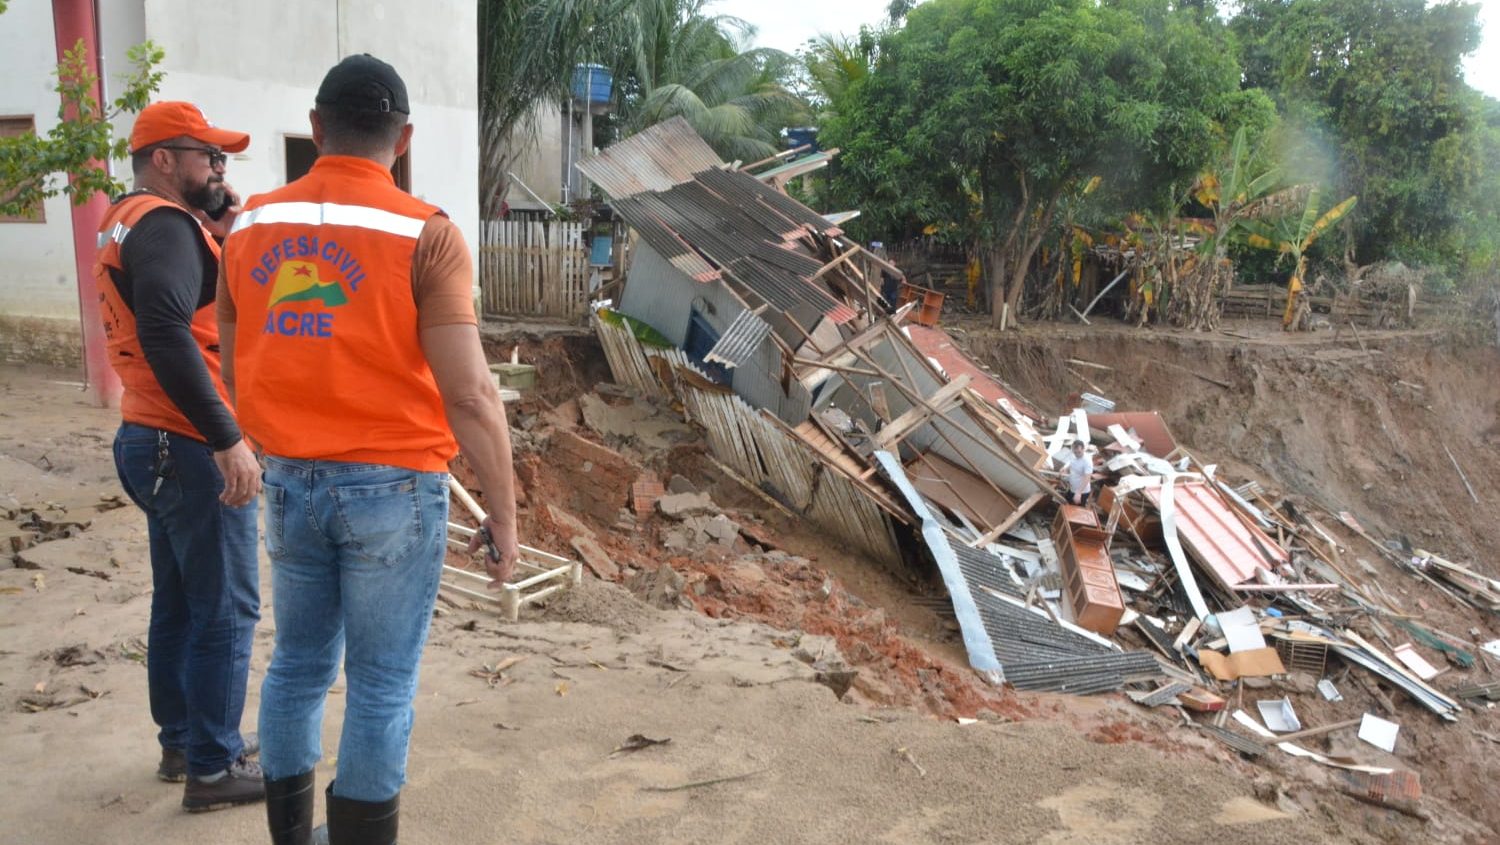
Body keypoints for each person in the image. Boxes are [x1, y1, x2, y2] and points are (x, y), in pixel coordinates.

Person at [218, 55, 519, 845]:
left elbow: (233, 352)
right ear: (404, 138)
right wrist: (504, 515)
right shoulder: (427, 233)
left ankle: (292, 837)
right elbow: (472, 396)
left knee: (296, 666)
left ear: (317, 128)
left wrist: (268, 435)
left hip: (290, 480)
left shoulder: (249, 225)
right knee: (381, 682)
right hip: (394, 488)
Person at [94, 101, 265, 812]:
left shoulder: (133, 219)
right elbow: (166, 331)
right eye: (208, 155)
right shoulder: (165, 226)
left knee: (180, 602)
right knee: (225, 607)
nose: (220, 167)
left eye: (223, 157)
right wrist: (227, 437)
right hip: (186, 443)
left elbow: (175, 309)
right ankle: (214, 767)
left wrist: (219, 230)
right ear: (164, 159)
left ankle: (185, 741)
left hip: (148, 435)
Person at [1064, 439, 1096, 506]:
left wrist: (1079, 493)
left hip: (1082, 492)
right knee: (1066, 504)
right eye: (1075, 452)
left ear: (1083, 449)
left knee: (1076, 510)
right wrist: (1065, 468)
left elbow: (1087, 477)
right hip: (1072, 488)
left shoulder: (1087, 461)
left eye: (1079, 452)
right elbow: (1071, 462)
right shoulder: (1074, 455)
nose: (1077, 454)